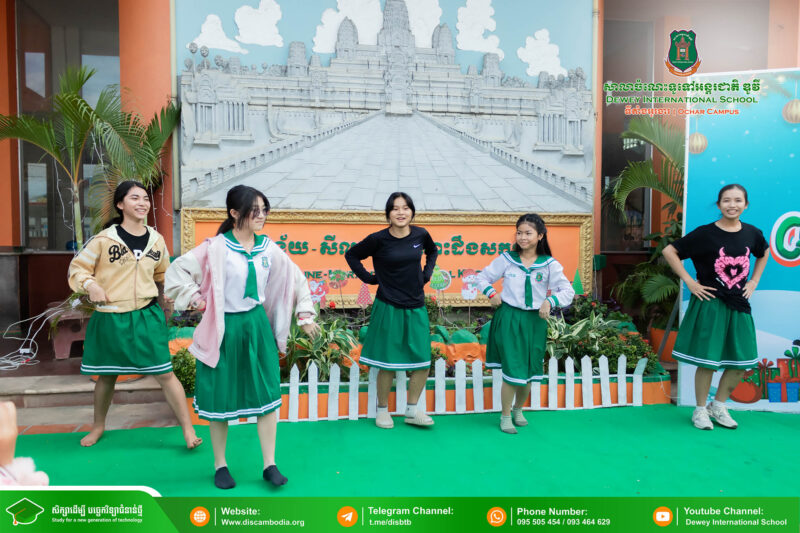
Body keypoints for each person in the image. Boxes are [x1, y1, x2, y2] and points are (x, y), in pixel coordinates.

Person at [165, 185, 319, 489]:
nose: (261, 215)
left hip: (256, 327)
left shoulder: (268, 248)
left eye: (264, 209)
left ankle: (269, 464)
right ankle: (220, 465)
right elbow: (177, 271)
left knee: (266, 394)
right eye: (254, 210)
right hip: (224, 329)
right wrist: (195, 297)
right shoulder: (215, 247)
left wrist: (304, 315)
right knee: (220, 396)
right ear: (234, 213)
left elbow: (295, 278)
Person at [68, 180, 201, 449]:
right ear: (120, 204)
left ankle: (188, 431)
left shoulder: (156, 240)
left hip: (146, 315)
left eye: (145, 198)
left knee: (165, 373)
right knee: (107, 375)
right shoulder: (104, 239)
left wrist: (171, 292)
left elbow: (164, 273)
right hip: (110, 316)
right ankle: (98, 427)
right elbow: (77, 269)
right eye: (134, 198)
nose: (142, 203)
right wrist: (91, 286)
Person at [662, 184, 768, 430]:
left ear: (746, 205)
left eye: (738, 200)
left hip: (739, 304)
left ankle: (718, 406)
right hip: (710, 304)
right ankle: (700, 410)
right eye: (727, 200)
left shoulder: (752, 233)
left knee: (741, 362)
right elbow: (670, 251)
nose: (732, 205)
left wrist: (753, 281)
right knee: (707, 360)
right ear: (719, 205)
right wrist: (689, 282)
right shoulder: (705, 233)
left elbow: (763, 253)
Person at [345, 192, 438, 429]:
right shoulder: (378, 239)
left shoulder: (420, 234)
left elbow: (432, 251)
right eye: (395, 208)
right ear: (388, 213)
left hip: (416, 305)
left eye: (405, 208)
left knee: (422, 361)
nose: (401, 212)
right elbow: (352, 255)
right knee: (386, 362)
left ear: (412, 212)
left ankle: (412, 411)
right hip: (388, 305)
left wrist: (426, 274)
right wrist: (369, 278)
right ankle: (382, 410)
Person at [476, 213, 575, 434]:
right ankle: (505, 416)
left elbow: (567, 291)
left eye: (528, 233)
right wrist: (491, 292)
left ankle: (518, 409)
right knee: (513, 368)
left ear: (540, 236)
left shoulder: (549, 264)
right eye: (519, 233)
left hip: (534, 321)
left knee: (530, 369)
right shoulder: (507, 259)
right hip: (510, 318)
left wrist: (550, 301)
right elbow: (481, 277)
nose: (522, 237)